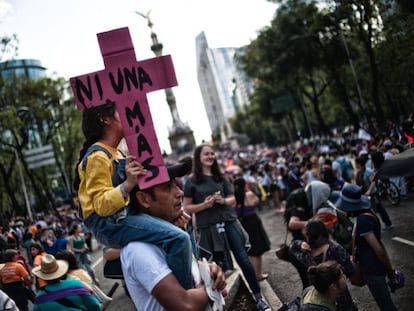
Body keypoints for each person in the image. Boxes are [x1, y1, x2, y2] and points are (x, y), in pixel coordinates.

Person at [73, 100, 192, 289]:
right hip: (109, 224)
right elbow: (101, 206)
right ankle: (185, 296)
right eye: (120, 110)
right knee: (178, 239)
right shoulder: (97, 156)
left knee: (183, 225)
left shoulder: (117, 152)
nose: (127, 113)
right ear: (105, 119)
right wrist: (128, 184)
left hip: (123, 217)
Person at [121, 162, 227, 311]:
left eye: (176, 185)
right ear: (144, 199)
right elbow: (185, 306)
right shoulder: (138, 249)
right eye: (167, 188)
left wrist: (210, 271)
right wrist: (212, 288)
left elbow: (193, 278)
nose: (179, 193)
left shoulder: (174, 233)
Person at [183, 143, 270, 310]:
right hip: (208, 227)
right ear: (198, 158)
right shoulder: (191, 182)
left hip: (229, 222)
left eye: (212, 154)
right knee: (214, 267)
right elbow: (187, 207)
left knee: (244, 260)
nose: (210, 156)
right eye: (206, 154)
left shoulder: (221, 177)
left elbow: (233, 199)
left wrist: (222, 201)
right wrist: (205, 205)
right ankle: (217, 304)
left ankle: (259, 297)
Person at [335, 183, 398, 311]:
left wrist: (391, 273)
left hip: (373, 268)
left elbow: (379, 250)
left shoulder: (363, 221)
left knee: (386, 306)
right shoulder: (367, 213)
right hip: (374, 266)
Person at [290, 220, 357, 310]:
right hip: (342, 298)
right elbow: (350, 271)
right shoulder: (335, 249)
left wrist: (300, 243)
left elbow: (293, 247)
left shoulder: (307, 255)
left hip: (322, 299)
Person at [31, 254, 100, 310]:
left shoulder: (40, 297)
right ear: (59, 273)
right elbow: (95, 305)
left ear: (43, 277)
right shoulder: (76, 284)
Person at [233, 177, 270, 281]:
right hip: (254, 222)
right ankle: (258, 274)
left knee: (250, 250)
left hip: (243, 223)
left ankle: (254, 275)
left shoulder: (234, 197)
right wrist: (247, 189)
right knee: (257, 250)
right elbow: (257, 200)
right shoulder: (249, 194)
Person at [355, 154, 393, 231]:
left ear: (359, 164)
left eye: (356, 164)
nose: (355, 165)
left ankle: (388, 223)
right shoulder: (359, 172)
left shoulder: (368, 171)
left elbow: (373, 181)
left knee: (379, 209)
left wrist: (369, 190)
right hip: (365, 194)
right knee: (370, 210)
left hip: (373, 193)